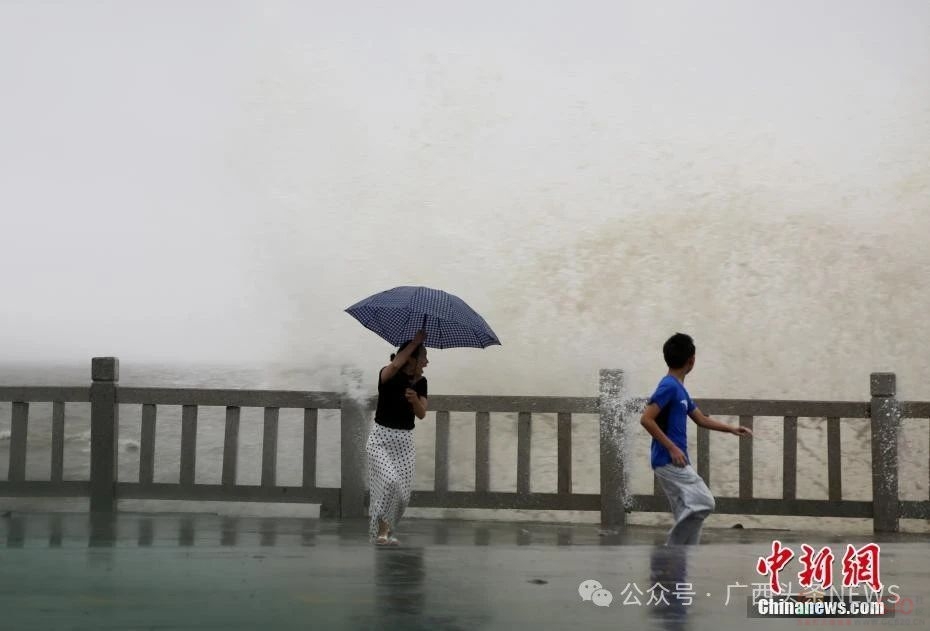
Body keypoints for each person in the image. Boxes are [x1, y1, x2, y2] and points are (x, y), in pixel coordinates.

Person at [640, 333, 752, 545]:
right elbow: (646, 419)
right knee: (704, 502)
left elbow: (700, 419)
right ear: (692, 360)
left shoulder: (679, 389)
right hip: (669, 460)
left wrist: (731, 429)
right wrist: (672, 448)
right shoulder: (669, 387)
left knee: (688, 512)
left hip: (671, 460)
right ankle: (671, 550)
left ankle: (680, 563)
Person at [367, 330, 429, 545]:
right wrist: (415, 343)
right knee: (390, 482)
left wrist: (414, 401)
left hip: (404, 442)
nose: (427, 362)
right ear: (411, 358)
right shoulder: (388, 374)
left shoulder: (421, 383)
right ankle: (381, 532)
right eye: (424, 357)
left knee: (403, 495)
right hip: (381, 439)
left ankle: (389, 529)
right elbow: (395, 366)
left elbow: (422, 414)